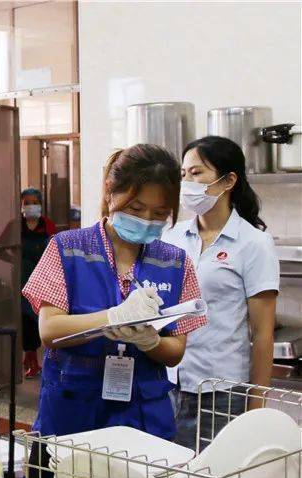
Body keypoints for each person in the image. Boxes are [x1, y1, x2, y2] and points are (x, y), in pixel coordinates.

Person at [22, 143, 207, 445]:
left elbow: (176, 352)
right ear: (110, 191)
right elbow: (50, 330)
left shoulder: (176, 263)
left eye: (160, 213)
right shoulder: (67, 248)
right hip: (74, 412)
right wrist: (114, 317)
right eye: (136, 209)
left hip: (144, 417)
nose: (146, 219)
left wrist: (151, 341)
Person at [163, 136, 279, 449]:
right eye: (183, 174)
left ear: (228, 181)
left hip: (222, 393)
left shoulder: (253, 244)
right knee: (167, 475)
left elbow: (263, 335)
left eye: (196, 173)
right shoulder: (172, 238)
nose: (187, 183)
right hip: (169, 384)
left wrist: (256, 410)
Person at [0, 188, 57, 378]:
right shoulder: (15, 225)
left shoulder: (47, 225)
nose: (31, 206)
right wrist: (13, 260)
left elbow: (56, 248)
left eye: (34, 202)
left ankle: (37, 359)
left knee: (40, 316)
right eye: (26, 203)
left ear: (41, 204)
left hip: (43, 277)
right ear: (21, 206)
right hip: (21, 278)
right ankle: (31, 360)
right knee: (25, 317)